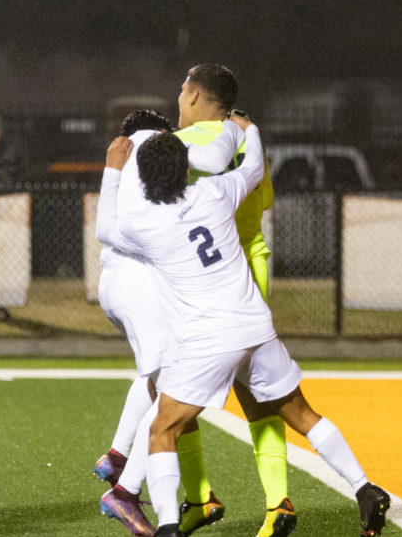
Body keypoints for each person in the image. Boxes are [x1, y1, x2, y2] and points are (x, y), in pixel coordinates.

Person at [96, 129, 390, 537]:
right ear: (185, 169)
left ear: (142, 179)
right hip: (256, 328)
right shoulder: (215, 194)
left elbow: (104, 228)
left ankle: (167, 527)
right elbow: (252, 168)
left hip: (209, 340)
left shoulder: (144, 225)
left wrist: (112, 171)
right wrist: (247, 130)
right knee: (302, 415)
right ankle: (365, 488)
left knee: (162, 429)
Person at [94, 109, 246, 536]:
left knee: (159, 378)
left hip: (121, 281)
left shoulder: (123, 158)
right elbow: (216, 162)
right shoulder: (155, 144)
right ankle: (124, 490)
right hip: (139, 283)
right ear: (161, 132)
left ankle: (119, 455)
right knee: (171, 391)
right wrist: (236, 127)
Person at [172, 63, 289, 537]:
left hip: (201, 279)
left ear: (197, 95)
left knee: (171, 388)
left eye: (182, 90)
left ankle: (199, 496)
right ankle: (277, 501)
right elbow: (263, 203)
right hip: (252, 268)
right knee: (259, 391)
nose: (178, 99)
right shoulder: (247, 139)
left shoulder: (181, 144)